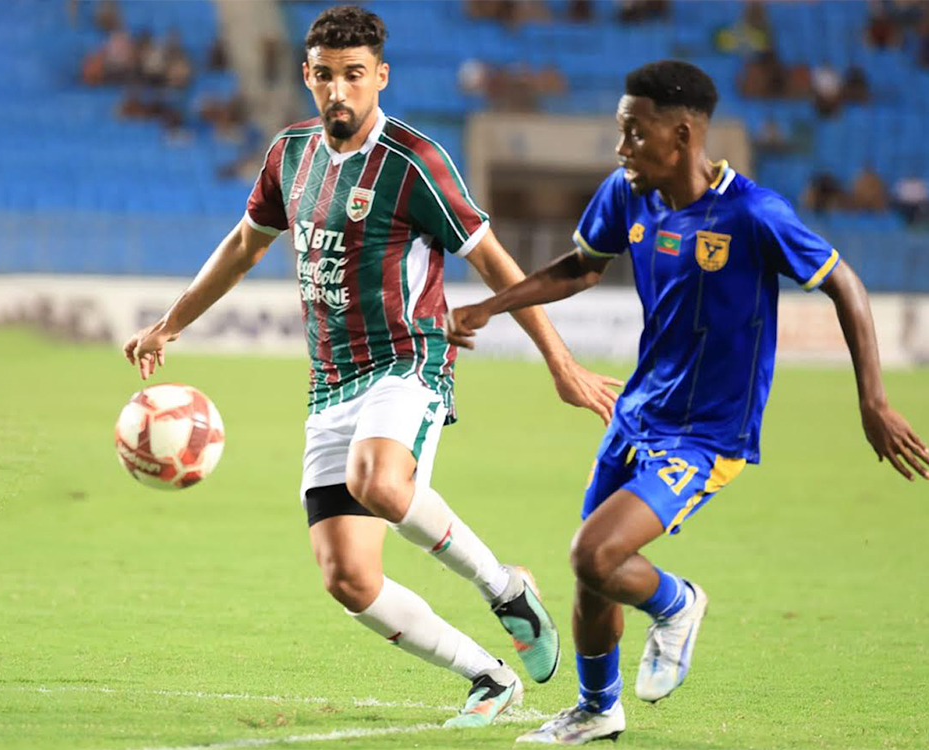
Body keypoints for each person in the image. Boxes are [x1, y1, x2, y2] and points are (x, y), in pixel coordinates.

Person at [121, 5, 621, 730]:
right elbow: (243, 246)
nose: (339, 90)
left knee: (380, 482)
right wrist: (171, 322)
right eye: (325, 75)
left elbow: (493, 259)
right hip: (331, 381)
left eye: (354, 75)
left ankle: (505, 589)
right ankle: (488, 676)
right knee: (348, 578)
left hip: (409, 360)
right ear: (307, 75)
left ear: (380, 76)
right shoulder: (289, 155)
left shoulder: (414, 162)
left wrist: (561, 363)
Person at [444, 60, 929, 744]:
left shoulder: (754, 214)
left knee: (594, 554)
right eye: (621, 131)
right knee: (594, 578)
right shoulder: (627, 195)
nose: (622, 147)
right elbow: (581, 267)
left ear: (681, 135)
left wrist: (873, 402)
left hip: (707, 434)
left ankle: (678, 603)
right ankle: (598, 709)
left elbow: (843, 284)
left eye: (634, 132)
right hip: (637, 413)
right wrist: (491, 305)